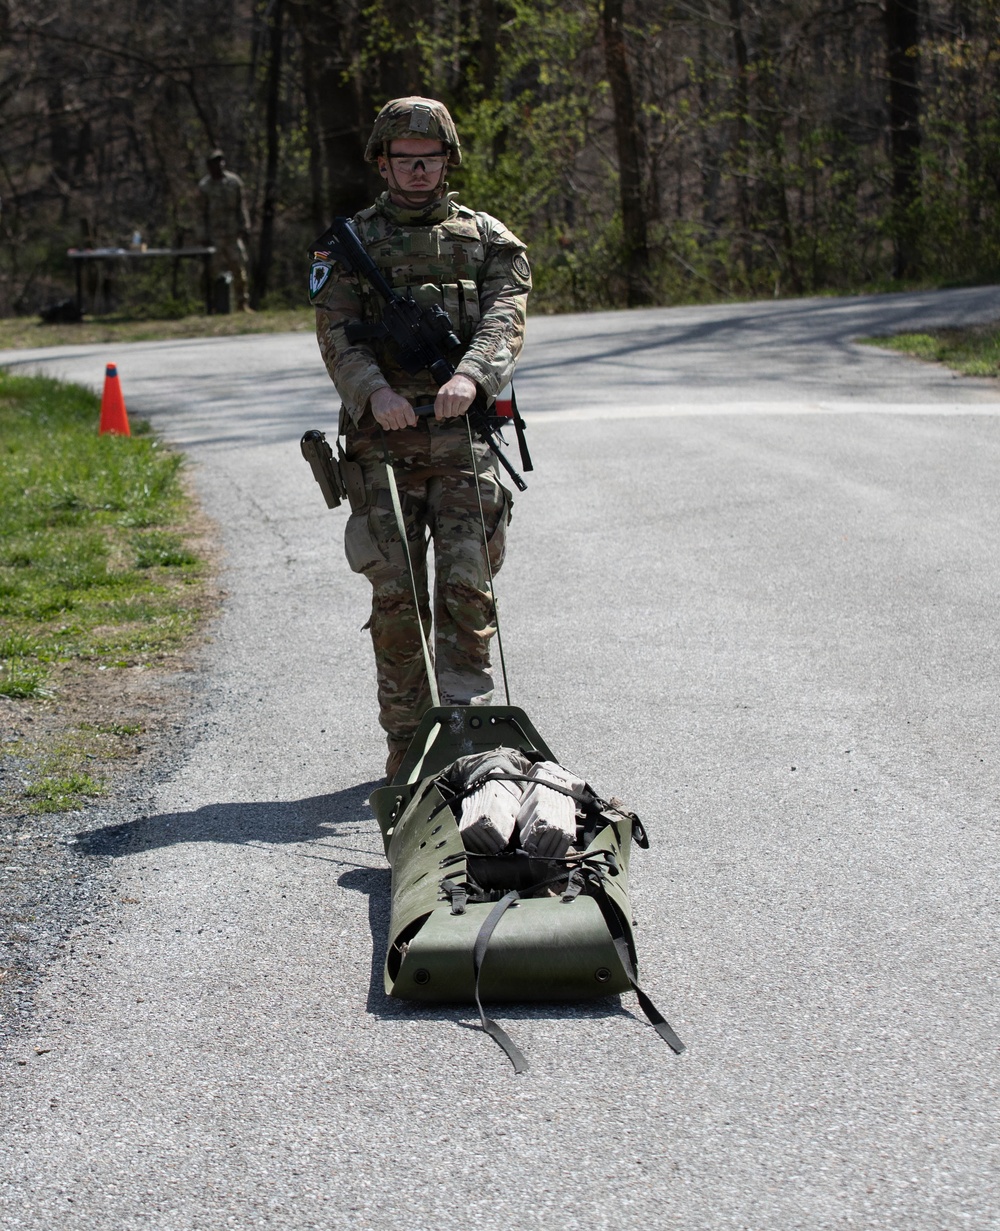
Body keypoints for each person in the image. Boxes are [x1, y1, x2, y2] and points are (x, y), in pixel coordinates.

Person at [309, 97, 532, 780]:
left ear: (446, 162)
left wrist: (471, 375)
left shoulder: (490, 239)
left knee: (468, 595)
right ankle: (408, 757)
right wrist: (374, 392)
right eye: (403, 160)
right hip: (382, 450)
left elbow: (505, 317)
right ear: (382, 162)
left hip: (463, 442)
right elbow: (336, 332)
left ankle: (472, 748)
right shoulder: (348, 245)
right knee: (397, 607)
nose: (416, 171)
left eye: (428, 160)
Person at [198, 149, 252, 311]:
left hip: (232, 234)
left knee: (239, 268)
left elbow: (241, 206)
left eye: (221, 161)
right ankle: (213, 305)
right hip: (214, 236)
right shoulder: (205, 187)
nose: (219, 165)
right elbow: (201, 213)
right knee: (212, 272)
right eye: (215, 162)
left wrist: (244, 226)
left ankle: (242, 303)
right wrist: (202, 235)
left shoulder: (234, 182)